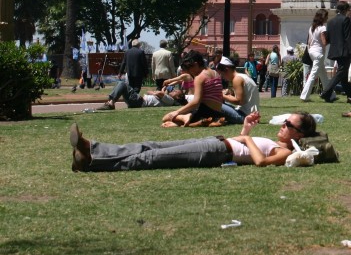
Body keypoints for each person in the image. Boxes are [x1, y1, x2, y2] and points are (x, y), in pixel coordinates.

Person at [69, 110, 316, 172]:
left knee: (153, 158)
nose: (283, 126)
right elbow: (246, 144)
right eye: (285, 122)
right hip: (216, 141)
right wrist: (247, 129)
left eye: (288, 125)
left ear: (299, 135)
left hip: (217, 152)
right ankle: (92, 149)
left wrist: (246, 138)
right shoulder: (276, 140)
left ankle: (92, 162)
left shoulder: (286, 152)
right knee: (150, 146)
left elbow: (261, 162)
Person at [162, 51, 228, 127]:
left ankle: (185, 118)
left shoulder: (199, 77)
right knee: (181, 117)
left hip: (204, 111)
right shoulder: (215, 73)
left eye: (189, 69)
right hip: (217, 112)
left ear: (196, 65)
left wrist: (177, 112)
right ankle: (197, 122)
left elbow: (196, 102)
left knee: (166, 118)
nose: (189, 72)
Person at [321, 2, 351, 103]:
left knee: (344, 75)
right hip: (344, 50)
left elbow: (329, 37)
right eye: (348, 10)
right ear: (345, 10)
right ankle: (326, 92)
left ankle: (350, 96)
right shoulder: (345, 19)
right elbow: (347, 36)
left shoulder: (331, 21)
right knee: (341, 72)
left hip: (335, 49)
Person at [217, 57, 260, 124]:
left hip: (245, 116)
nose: (223, 78)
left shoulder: (236, 79)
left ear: (226, 70)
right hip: (252, 115)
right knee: (224, 104)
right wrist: (229, 94)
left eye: (222, 75)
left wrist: (221, 95)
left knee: (217, 104)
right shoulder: (243, 76)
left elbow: (239, 101)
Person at [300, 9, 330, 102]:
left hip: (312, 52)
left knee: (323, 75)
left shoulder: (312, 28)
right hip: (319, 53)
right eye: (326, 16)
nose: (327, 18)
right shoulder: (322, 28)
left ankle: (330, 95)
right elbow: (324, 42)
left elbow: (309, 42)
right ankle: (304, 96)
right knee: (313, 75)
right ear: (322, 17)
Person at [96, 81, 186, 110]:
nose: (173, 90)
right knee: (122, 85)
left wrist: (155, 92)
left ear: (177, 97)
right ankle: (110, 102)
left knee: (122, 84)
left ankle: (111, 103)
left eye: (175, 91)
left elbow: (158, 93)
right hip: (138, 101)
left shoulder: (171, 100)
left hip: (139, 101)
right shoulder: (168, 99)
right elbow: (158, 93)